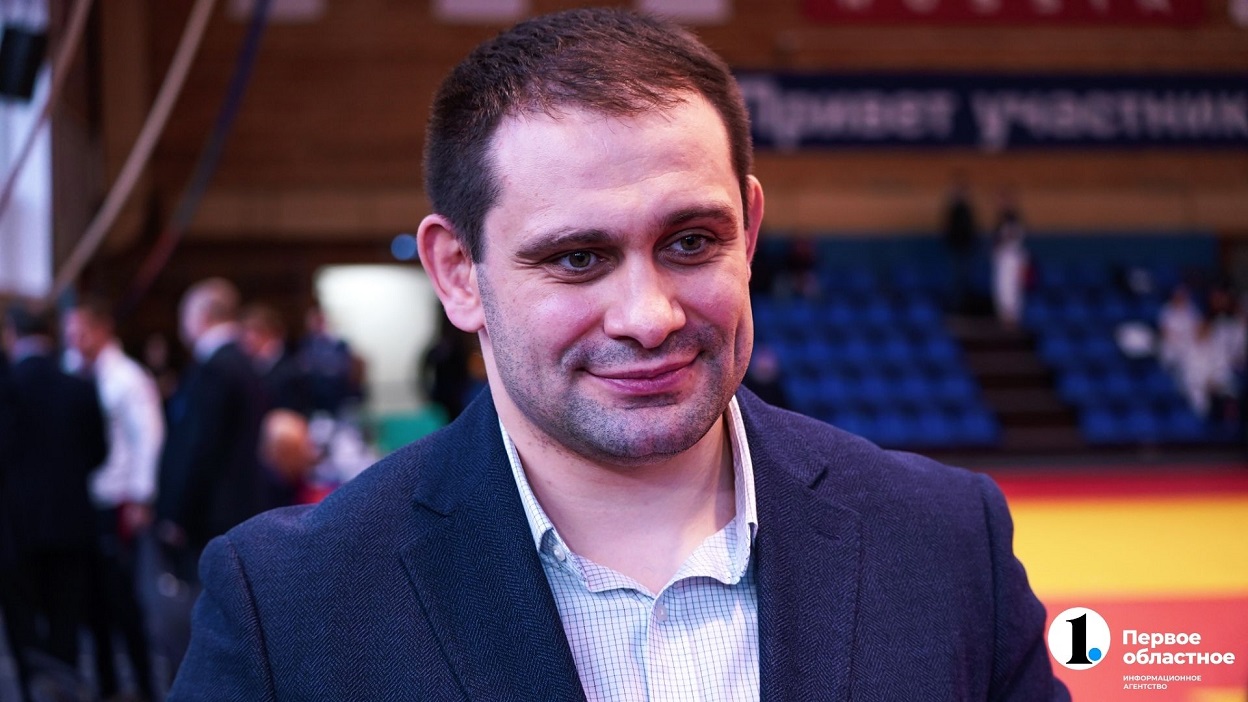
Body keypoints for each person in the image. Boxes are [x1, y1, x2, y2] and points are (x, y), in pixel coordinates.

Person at [170, 9, 1067, 700]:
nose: (648, 316)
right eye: (577, 258)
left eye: (691, 242)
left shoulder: (950, 544)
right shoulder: (287, 607)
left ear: (750, 233)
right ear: (459, 274)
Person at [154, 278, 269, 674]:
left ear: (202, 316)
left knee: (210, 625)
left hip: (211, 515)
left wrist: (175, 514)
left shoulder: (215, 369)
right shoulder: (243, 362)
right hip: (238, 506)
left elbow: (198, 450)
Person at [0, 303, 108, 700]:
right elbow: (99, 452)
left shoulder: (8, 386)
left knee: (23, 625)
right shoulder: (78, 385)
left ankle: (34, 693)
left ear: (11, 333)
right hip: (70, 522)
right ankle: (64, 692)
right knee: (66, 624)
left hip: (15, 528)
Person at [63, 297, 164, 702]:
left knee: (123, 600)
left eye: (82, 331)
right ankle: (105, 685)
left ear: (103, 328)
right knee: (91, 604)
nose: (75, 339)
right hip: (82, 502)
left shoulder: (127, 377)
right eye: (71, 332)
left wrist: (141, 497)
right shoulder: (71, 372)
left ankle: (145, 684)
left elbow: (148, 439)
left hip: (118, 498)